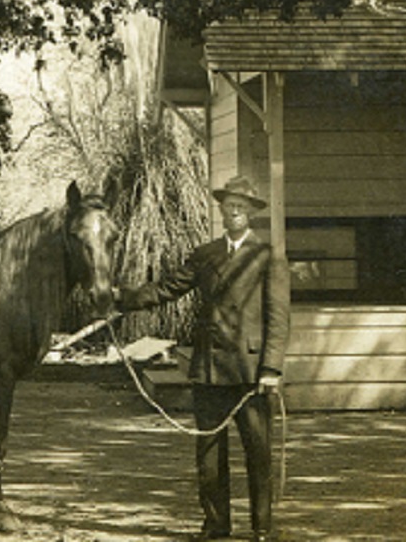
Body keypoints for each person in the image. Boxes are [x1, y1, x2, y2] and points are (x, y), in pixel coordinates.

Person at [114, 175, 290, 542]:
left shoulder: (267, 256)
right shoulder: (205, 255)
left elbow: (279, 318)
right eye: (230, 204)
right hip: (210, 370)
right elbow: (167, 289)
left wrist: (271, 368)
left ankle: (262, 529)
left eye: (242, 205)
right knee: (209, 456)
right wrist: (122, 298)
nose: (235, 210)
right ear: (222, 210)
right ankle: (215, 525)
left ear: (252, 212)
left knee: (258, 454)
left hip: (250, 373)